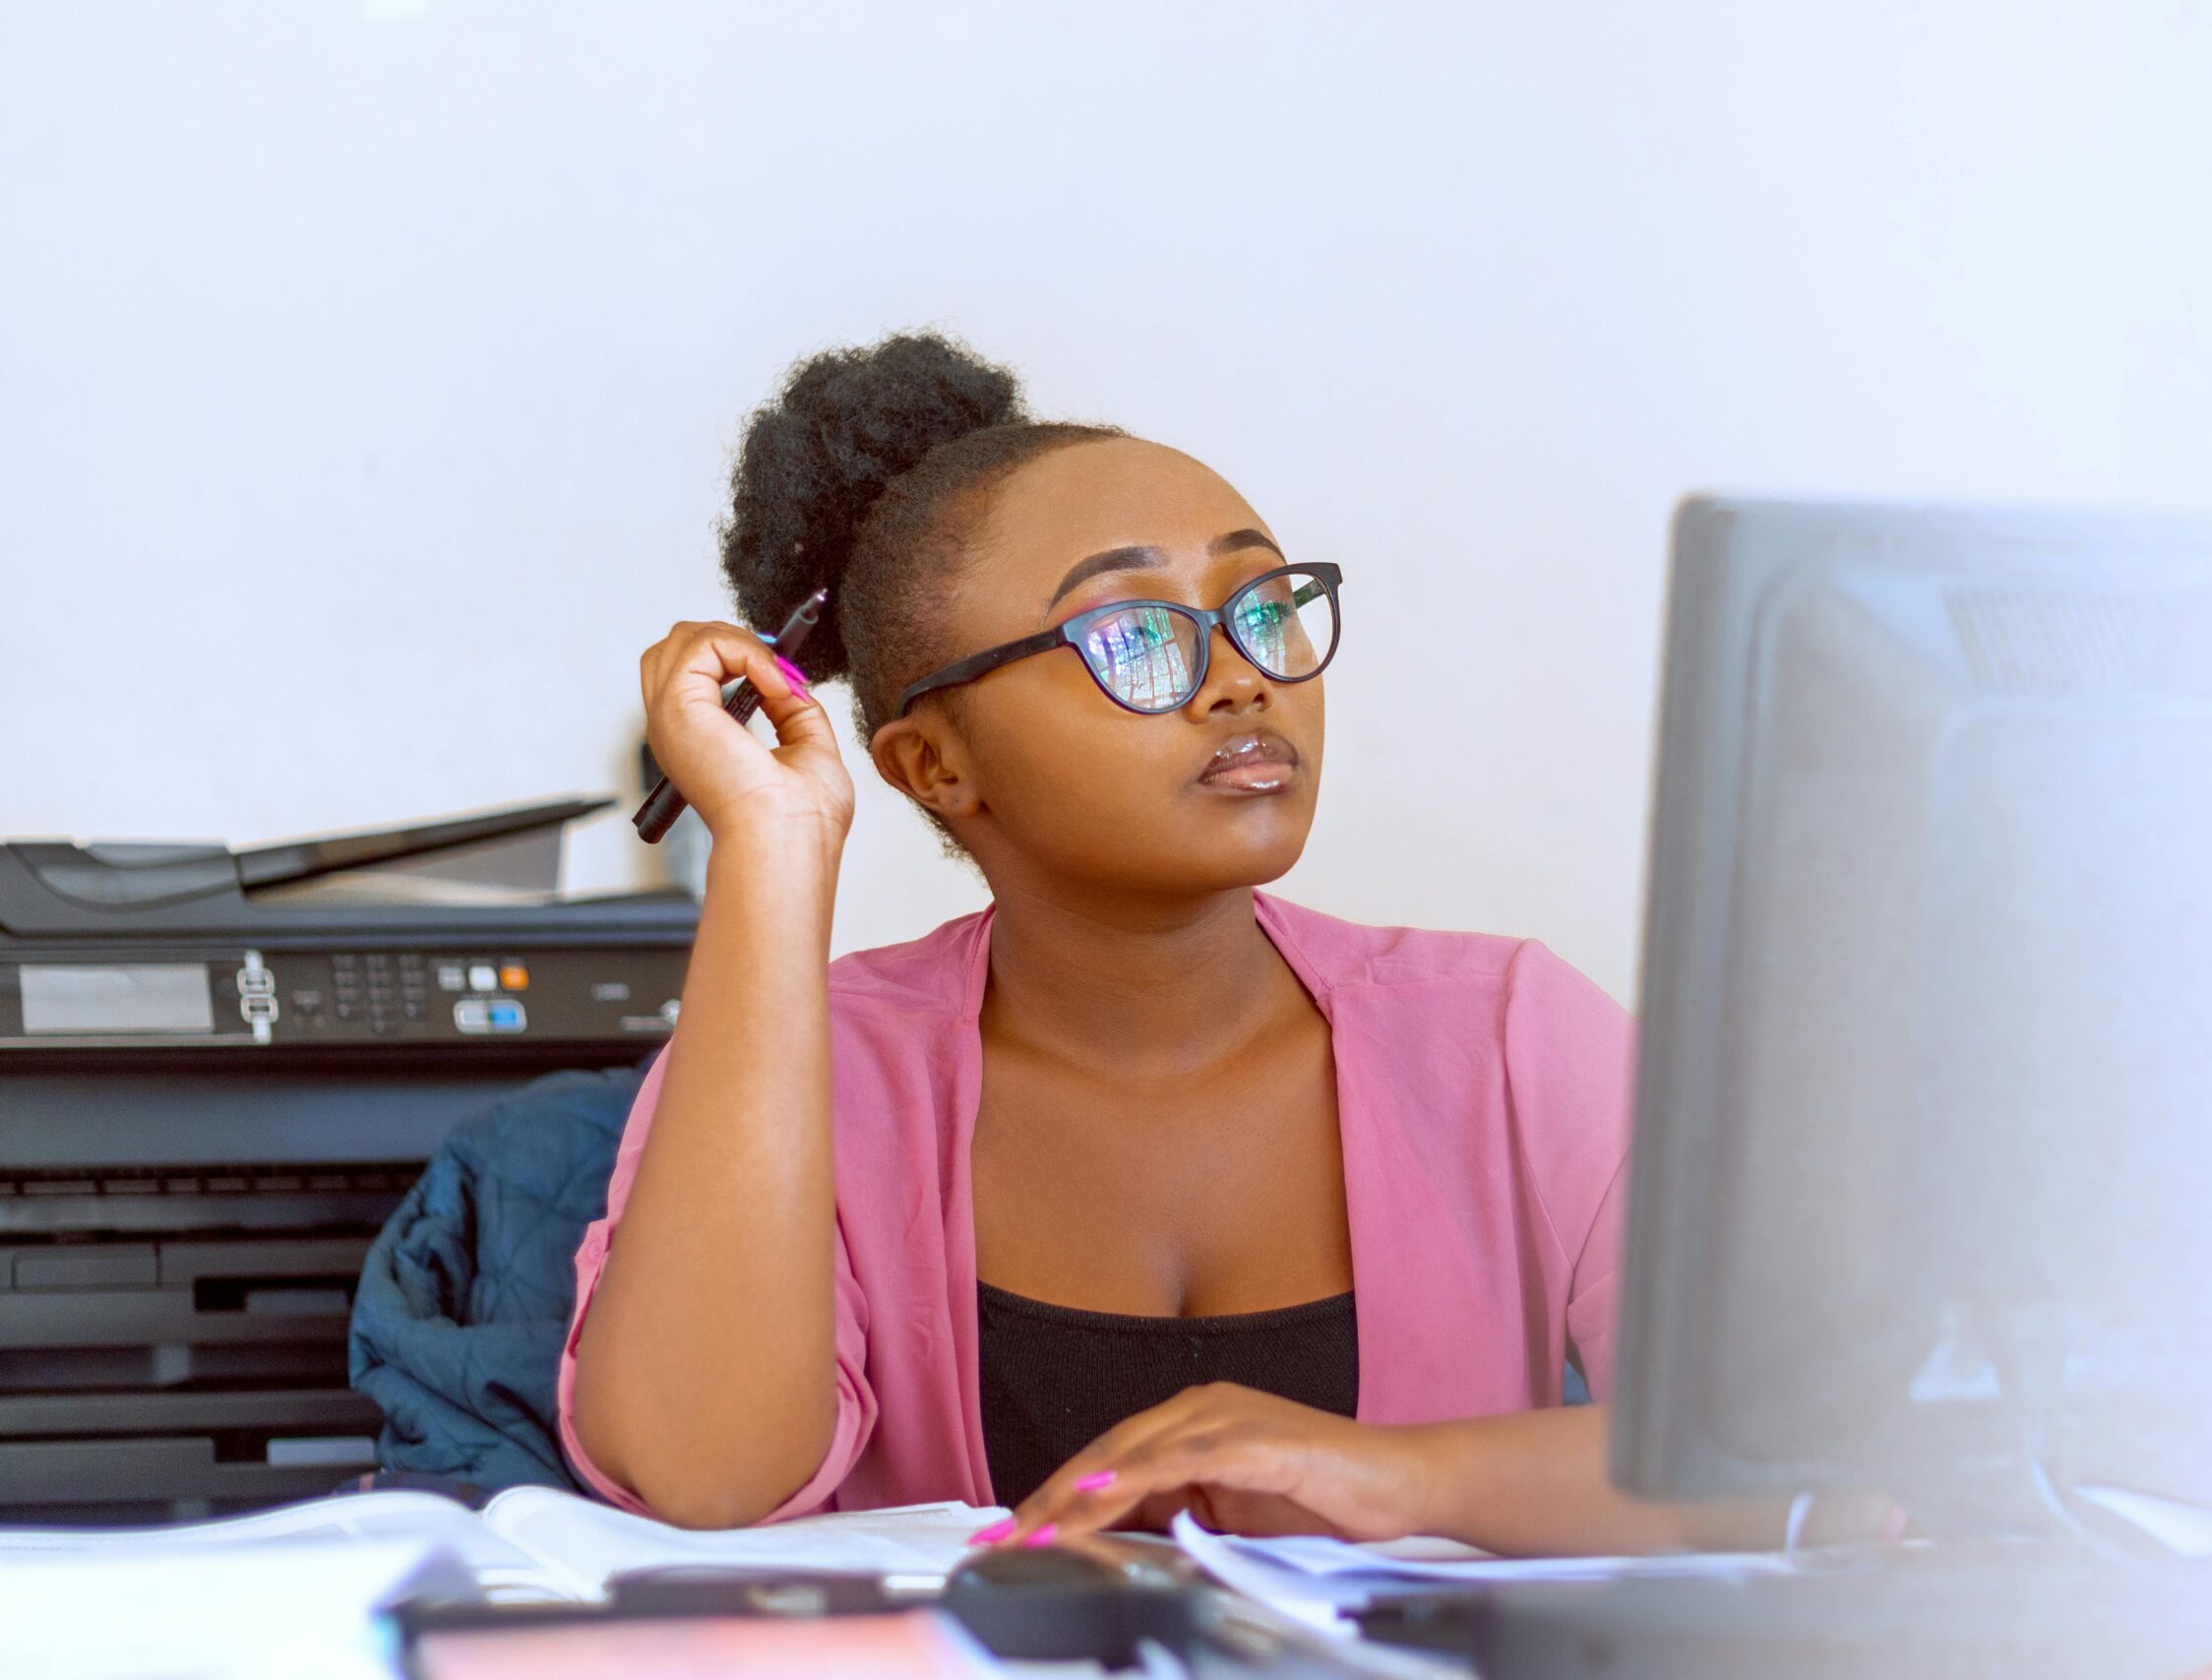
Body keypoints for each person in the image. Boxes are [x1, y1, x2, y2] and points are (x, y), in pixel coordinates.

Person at [564, 333, 1886, 1554]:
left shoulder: (1509, 1031)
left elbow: (1837, 1476)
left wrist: (1408, 1478)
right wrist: (772, 846)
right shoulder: (808, 1067)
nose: (1244, 677)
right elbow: (705, 1477)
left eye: (1266, 609)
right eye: (1135, 635)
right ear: (932, 763)